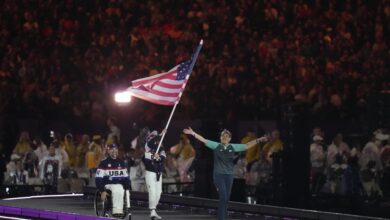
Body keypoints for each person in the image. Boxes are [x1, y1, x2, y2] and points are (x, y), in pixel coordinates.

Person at [183, 127, 268, 220]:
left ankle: (224, 216)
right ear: (220, 138)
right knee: (223, 196)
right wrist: (193, 133)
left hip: (229, 176)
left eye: (226, 136)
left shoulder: (233, 147)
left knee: (226, 198)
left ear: (229, 138)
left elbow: (247, 145)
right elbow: (203, 140)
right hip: (219, 176)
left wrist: (259, 140)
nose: (224, 138)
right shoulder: (216, 146)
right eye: (223, 136)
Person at [95, 143, 131, 218]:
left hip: (119, 185)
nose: (114, 151)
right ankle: (117, 211)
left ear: (117, 151)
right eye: (112, 149)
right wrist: (102, 191)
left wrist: (127, 189)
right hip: (108, 185)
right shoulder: (103, 163)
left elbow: (126, 178)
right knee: (118, 188)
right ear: (108, 151)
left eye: (115, 149)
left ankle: (119, 210)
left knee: (120, 188)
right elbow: (98, 179)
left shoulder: (122, 163)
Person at [143, 129, 167, 220]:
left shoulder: (161, 148)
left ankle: (153, 210)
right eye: (153, 136)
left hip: (158, 174)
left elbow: (163, 158)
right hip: (150, 173)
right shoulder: (147, 146)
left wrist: (159, 157)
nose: (155, 139)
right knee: (152, 191)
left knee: (158, 193)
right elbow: (148, 160)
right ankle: (152, 210)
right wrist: (160, 134)